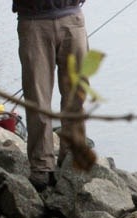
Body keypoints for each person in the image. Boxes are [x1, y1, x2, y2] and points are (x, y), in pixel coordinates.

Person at [13, 0, 88, 190]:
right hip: (33, 22)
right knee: (37, 99)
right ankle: (41, 166)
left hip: (72, 19)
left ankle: (71, 159)